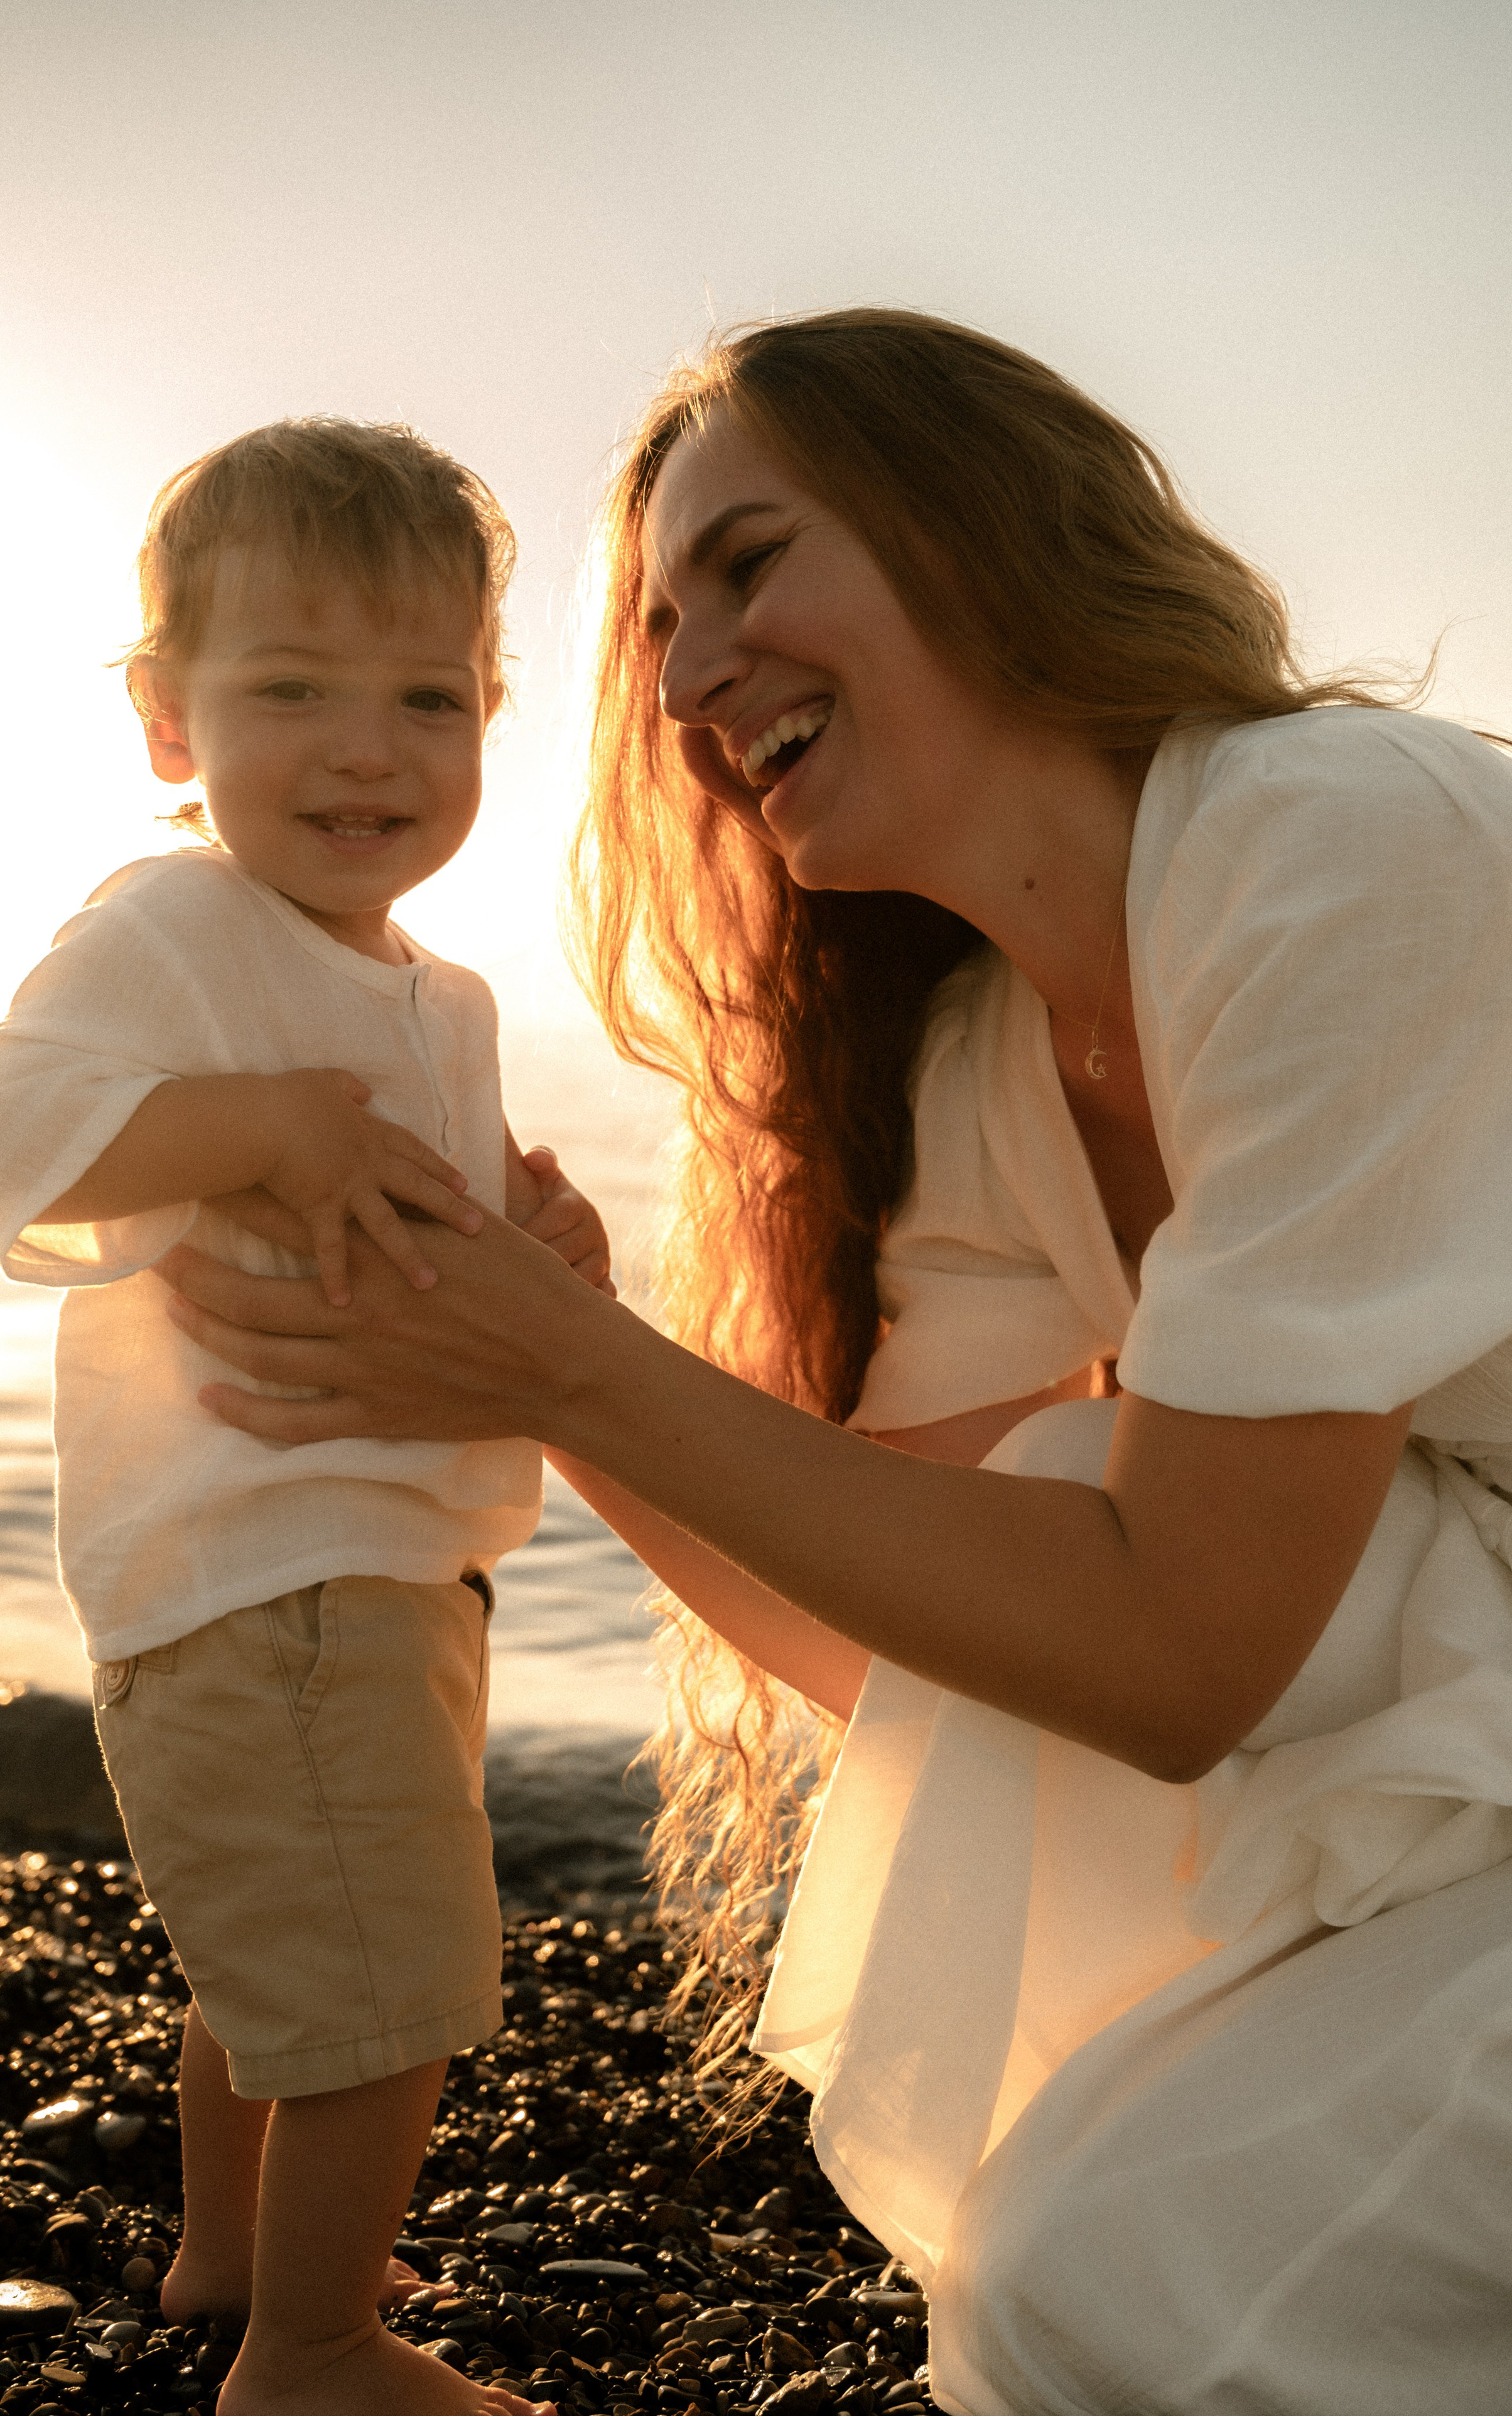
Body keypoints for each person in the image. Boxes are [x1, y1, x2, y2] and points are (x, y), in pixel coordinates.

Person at [153, 317, 1512, 2415]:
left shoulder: (1333, 839)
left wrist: (572, 1367)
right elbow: (913, 1646)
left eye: (753, 565)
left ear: (979, 532)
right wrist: (532, 1368)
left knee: (1095, 2293)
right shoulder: (995, 1061)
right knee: (1056, 1525)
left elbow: (1184, 1653)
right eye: (665, 630)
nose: (690, 681)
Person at [0, 418, 611, 2416]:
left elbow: (436, 1237)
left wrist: (540, 1230)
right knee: (391, 1985)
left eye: (427, 697)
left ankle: (232, 2261)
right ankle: (314, 2353)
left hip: (396, 1566)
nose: (368, 749)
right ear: (168, 719)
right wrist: (247, 1127)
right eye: (288, 689)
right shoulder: (172, 932)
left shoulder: (449, 1000)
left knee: (289, 1956)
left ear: (493, 717)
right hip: (265, 1572)